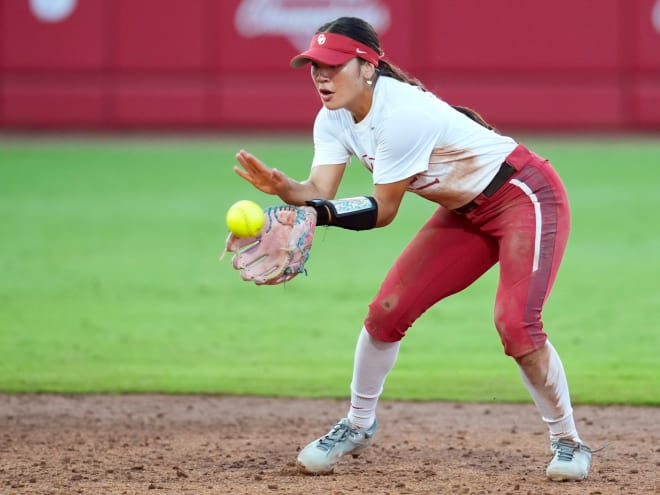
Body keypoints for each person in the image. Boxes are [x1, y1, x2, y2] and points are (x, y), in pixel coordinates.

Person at [232, 16, 592, 482]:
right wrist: (287, 190)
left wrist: (315, 214)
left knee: (516, 325)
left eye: (333, 65)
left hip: (524, 195)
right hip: (466, 211)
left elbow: (383, 210)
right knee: (387, 310)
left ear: (367, 66)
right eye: (314, 66)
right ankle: (357, 424)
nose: (321, 76)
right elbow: (319, 190)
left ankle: (569, 441)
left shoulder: (401, 113)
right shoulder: (333, 118)